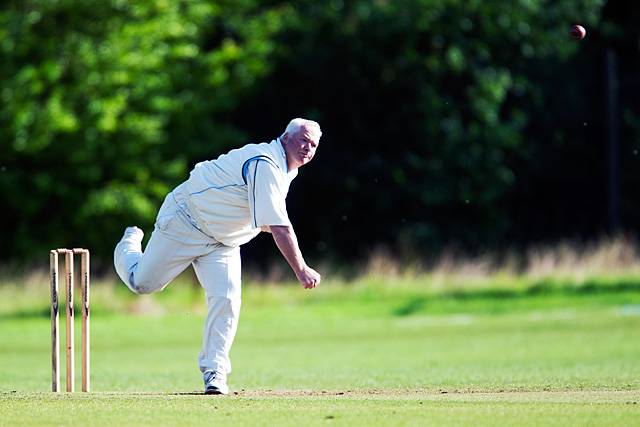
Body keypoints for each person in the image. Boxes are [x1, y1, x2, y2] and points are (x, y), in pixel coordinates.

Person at [113, 118, 322, 395]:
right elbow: (280, 228)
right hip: (186, 220)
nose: (308, 147)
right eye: (303, 140)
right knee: (142, 283)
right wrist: (301, 268)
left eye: (314, 144)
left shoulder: (286, 172)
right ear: (286, 137)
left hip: (223, 242)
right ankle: (130, 241)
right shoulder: (266, 163)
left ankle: (215, 373)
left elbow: (268, 222)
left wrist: (281, 234)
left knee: (227, 298)